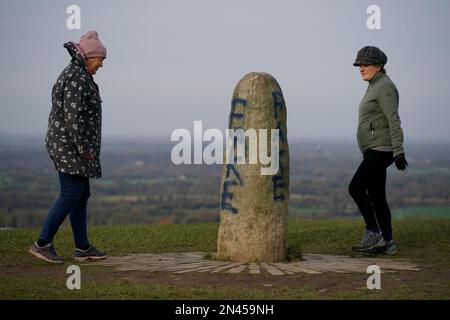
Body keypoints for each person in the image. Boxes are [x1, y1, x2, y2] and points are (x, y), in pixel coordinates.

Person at [29, 31, 108, 263]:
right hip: (69, 144)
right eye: (100, 60)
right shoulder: (76, 76)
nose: (101, 65)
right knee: (71, 193)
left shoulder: (80, 74)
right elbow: (72, 118)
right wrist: (84, 147)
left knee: (81, 193)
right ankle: (42, 244)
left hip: (70, 143)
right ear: (89, 56)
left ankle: (82, 248)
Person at [349, 46, 408, 255]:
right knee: (377, 196)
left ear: (379, 66)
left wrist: (398, 152)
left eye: (366, 64)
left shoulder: (384, 87)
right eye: (359, 64)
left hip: (382, 148)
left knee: (355, 187)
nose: (361, 68)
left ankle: (373, 231)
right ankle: (388, 243)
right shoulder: (374, 85)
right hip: (374, 148)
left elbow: (393, 118)